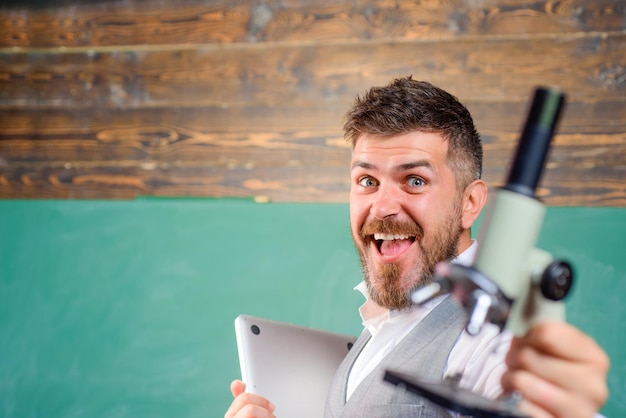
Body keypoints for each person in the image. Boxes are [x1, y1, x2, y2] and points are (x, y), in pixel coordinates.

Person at [224, 77, 610, 418]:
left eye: (415, 181)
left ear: (469, 204)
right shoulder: (375, 331)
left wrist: (561, 404)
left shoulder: (492, 344)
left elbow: (519, 394)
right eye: (367, 181)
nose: (383, 206)